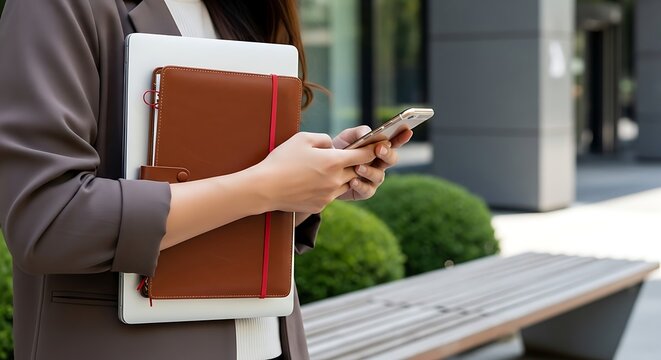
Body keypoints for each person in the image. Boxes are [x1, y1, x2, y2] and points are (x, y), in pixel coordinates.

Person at [0, 0, 412, 359]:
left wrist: (305, 189)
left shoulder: (244, 12)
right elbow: (48, 221)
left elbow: (230, 199)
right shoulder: (61, 6)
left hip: (272, 344)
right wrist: (264, 186)